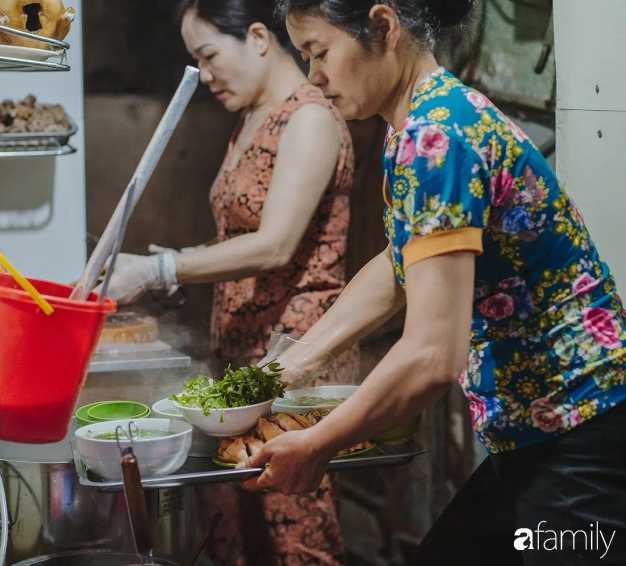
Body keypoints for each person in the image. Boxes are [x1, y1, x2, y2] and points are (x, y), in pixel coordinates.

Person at [240, 1, 626, 564]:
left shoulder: (436, 137)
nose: (313, 77)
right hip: (535, 432)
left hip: (579, 437)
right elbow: (402, 264)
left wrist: (318, 444)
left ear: (383, 26)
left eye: (320, 53)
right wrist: (287, 367)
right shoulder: (423, 121)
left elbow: (430, 356)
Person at [98, 1, 359, 563]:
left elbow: (275, 244)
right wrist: (176, 262)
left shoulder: (308, 118)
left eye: (210, 56)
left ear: (260, 38)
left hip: (294, 360)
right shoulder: (252, 117)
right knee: (233, 529)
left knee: (294, 530)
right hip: (241, 364)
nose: (205, 76)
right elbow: (239, 237)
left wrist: (159, 269)